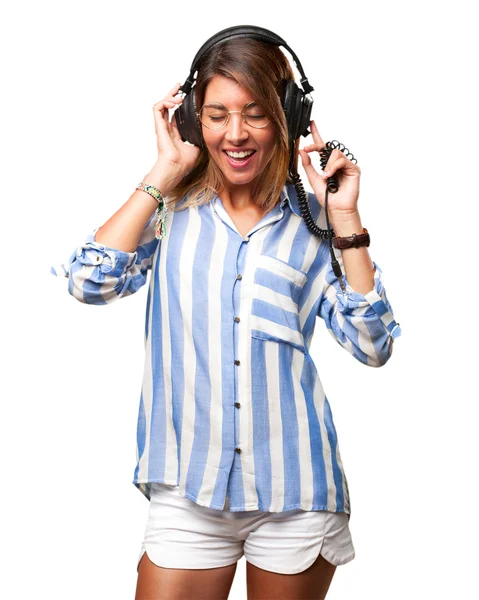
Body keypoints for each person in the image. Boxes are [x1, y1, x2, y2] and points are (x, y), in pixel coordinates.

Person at [52, 32, 401, 600]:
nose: (235, 134)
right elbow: (89, 281)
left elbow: (372, 344)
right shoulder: (169, 207)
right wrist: (163, 171)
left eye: (256, 115)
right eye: (216, 115)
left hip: (296, 490)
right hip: (188, 486)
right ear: (194, 118)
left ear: (287, 116)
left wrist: (346, 218)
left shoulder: (317, 221)